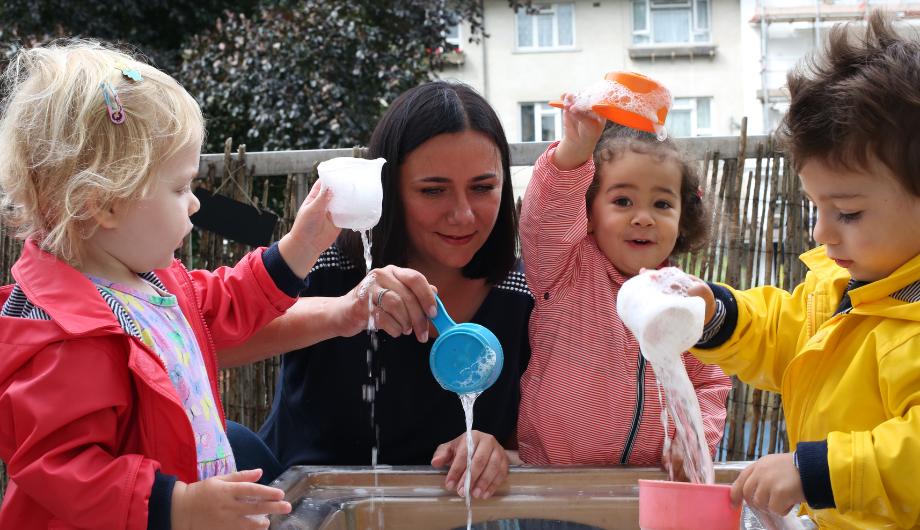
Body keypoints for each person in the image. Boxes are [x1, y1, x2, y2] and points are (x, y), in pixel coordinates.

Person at [0, 40, 341, 529]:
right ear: (106, 203)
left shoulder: (150, 281)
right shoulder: (63, 333)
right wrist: (175, 504)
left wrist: (301, 247)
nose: (196, 204)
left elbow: (225, 302)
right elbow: (60, 466)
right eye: (181, 188)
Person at [226, 81, 533, 500]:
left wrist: (498, 454)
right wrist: (343, 312)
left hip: (442, 514)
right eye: (433, 190)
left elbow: (537, 443)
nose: (462, 214)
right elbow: (209, 343)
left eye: (483, 188)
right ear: (388, 188)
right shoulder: (329, 268)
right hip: (298, 508)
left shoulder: (523, 295)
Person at [686, 12, 920, 528]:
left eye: (848, 213)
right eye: (816, 207)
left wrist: (816, 470)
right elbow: (781, 331)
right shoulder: (844, 289)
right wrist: (715, 314)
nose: (821, 232)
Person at [516, 92, 731, 472]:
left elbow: (711, 382)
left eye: (662, 204)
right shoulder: (565, 270)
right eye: (623, 202)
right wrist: (574, 151)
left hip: (647, 487)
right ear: (589, 210)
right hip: (555, 481)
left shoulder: (684, 297)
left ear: (683, 218)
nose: (644, 218)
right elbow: (545, 216)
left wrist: (693, 440)